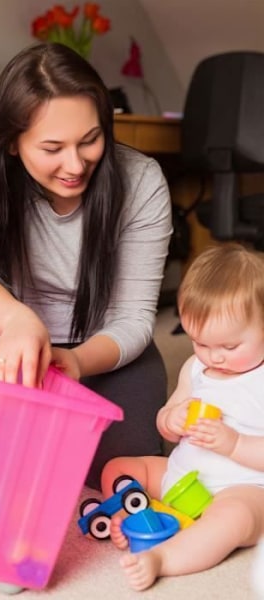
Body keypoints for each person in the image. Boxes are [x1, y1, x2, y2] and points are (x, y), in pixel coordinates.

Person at [0, 42, 172, 488]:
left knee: (118, 475)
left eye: (90, 140)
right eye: (52, 147)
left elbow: (133, 319)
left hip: (104, 354)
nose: (75, 164)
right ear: (12, 143)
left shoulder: (142, 180)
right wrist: (19, 321)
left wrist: (74, 360)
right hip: (11, 347)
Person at [101, 243, 264, 591]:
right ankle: (138, 515)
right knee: (118, 469)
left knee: (234, 520)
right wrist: (171, 419)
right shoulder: (196, 368)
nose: (214, 357)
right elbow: (168, 417)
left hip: (241, 488)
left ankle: (164, 558)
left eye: (229, 347)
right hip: (182, 477)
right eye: (200, 343)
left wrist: (233, 444)